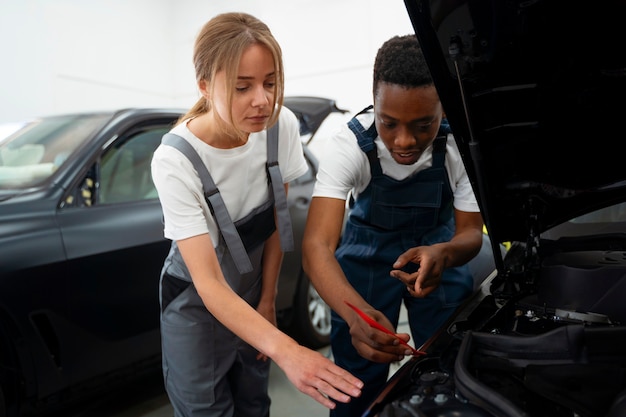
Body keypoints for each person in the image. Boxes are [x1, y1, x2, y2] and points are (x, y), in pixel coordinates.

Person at [151, 12, 362, 417]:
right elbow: (210, 283)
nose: (262, 100)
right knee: (205, 409)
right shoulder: (174, 160)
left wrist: (268, 300)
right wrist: (288, 350)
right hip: (196, 301)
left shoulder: (279, 125)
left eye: (270, 82)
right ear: (204, 86)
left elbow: (275, 226)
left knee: (253, 401)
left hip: (251, 293)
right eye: (242, 87)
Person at [302, 34, 484, 416]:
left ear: (443, 111)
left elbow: (469, 234)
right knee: (357, 384)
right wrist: (354, 316)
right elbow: (316, 246)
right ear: (375, 103)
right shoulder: (349, 147)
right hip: (364, 261)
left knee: (452, 364)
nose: (405, 141)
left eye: (423, 125)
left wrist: (445, 254)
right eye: (389, 124)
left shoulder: (457, 147)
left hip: (438, 257)